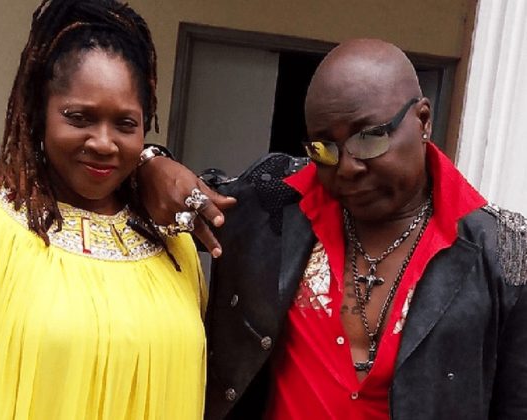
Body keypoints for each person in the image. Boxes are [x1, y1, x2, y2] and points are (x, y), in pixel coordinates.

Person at [137, 39, 527, 419]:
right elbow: (170, 197)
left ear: (423, 120)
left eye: (370, 138)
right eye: (324, 149)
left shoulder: (505, 255)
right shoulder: (275, 202)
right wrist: (149, 163)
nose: (347, 168)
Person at [0, 1, 207, 419]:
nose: (103, 142)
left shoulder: (174, 246)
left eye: (125, 124)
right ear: (40, 114)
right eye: (79, 117)